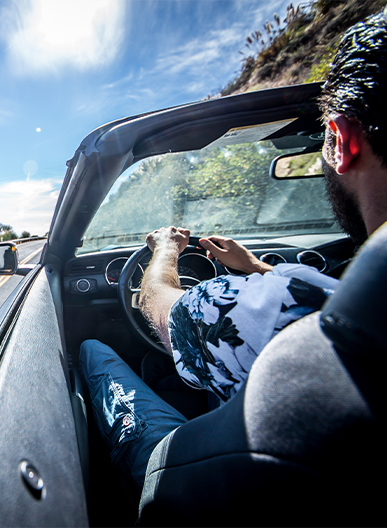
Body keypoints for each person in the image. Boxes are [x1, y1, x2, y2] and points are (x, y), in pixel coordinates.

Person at [79, 9, 387, 491]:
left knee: (94, 351)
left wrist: (165, 250)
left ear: (341, 141)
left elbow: (156, 304)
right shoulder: (352, 300)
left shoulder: (261, 312)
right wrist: (258, 268)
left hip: (211, 484)